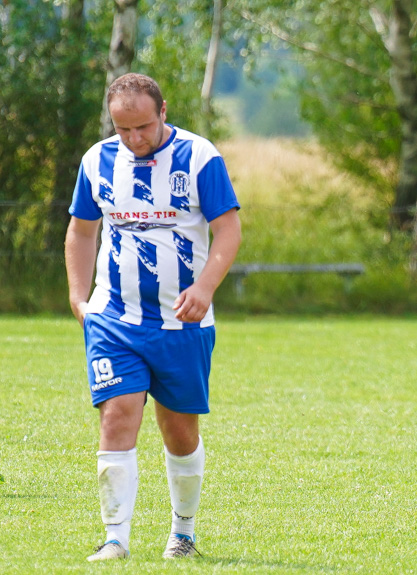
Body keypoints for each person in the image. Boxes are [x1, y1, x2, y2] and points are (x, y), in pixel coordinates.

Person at [64, 73, 241, 560]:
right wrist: (80, 298)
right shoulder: (97, 161)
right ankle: (115, 538)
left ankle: (182, 531)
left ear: (163, 112)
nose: (134, 139)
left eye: (143, 126)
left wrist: (205, 287)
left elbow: (228, 229)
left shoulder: (199, 157)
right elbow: (81, 231)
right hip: (113, 318)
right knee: (118, 415)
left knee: (179, 431)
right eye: (124, 130)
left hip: (181, 324)